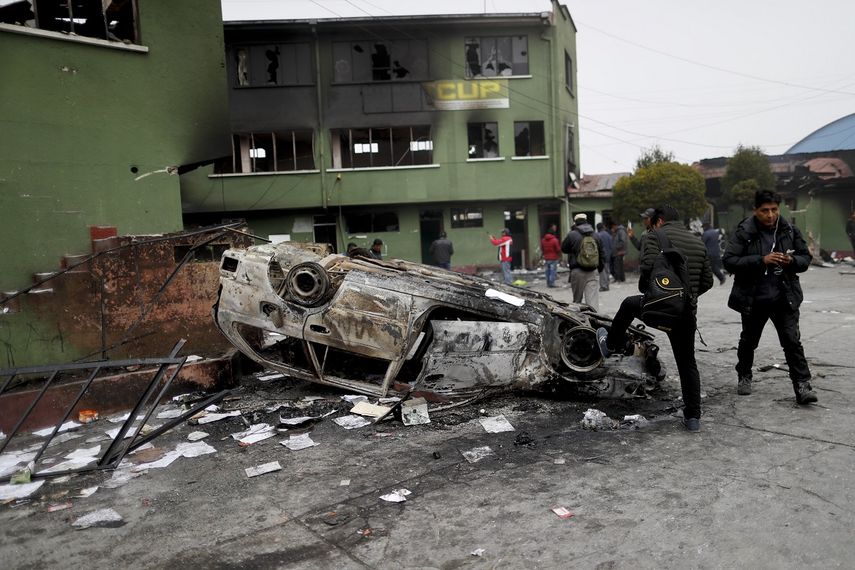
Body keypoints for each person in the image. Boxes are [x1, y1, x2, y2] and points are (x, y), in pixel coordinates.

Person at [598, 205, 713, 432]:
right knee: (687, 363)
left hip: (656, 309)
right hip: (685, 314)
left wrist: (659, 294)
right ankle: (693, 418)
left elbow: (647, 271)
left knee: (628, 304)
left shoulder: (654, 236)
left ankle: (611, 345)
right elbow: (707, 282)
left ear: (659, 221)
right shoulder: (698, 242)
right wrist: (684, 298)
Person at [722, 190, 817, 404]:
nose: (771, 215)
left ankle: (802, 386)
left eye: (774, 209)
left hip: (784, 297)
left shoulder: (789, 229)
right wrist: (761, 260)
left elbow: (805, 258)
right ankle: (744, 375)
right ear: (755, 210)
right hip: (754, 298)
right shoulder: (745, 231)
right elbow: (729, 261)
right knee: (749, 341)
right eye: (765, 210)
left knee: (792, 342)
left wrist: (791, 261)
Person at [561, 213, 604, 310]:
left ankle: (579, 319)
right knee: (592, 301)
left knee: (577, 301)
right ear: (586, 221)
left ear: (575, 222)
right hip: (593, 270)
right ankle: (593, 318)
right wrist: (600, 268)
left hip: (577, 271)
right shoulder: (595, 235)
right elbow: (601, 253)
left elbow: (564, 248)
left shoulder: (572, 234)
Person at [596, 222, 613, 292]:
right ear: (603, 227)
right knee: (607, 270)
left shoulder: (597, 235)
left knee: (602, 272)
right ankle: (607, 285)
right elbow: (611, 246)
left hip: (601, 256)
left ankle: (603, 286)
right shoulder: (608, 235)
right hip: (608, 255)